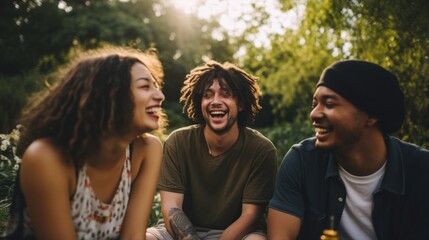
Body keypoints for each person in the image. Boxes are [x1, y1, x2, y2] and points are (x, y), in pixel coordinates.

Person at [3, 46, 166, 239]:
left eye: (156, 87)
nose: (160, 96)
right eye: (145, 87)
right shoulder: (47, 157)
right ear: (108, 95)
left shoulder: (147, 150)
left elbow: (132, 236)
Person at [267, 60, 429, 240]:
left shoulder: (421, 171)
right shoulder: (302, 161)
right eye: (315, 104)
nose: (314, 114)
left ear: (371, 115)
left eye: (329, 104)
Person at [146, 61, 277, 240]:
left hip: (236, 234)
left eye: (225, 94)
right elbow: (172, 208)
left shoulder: (262, 149)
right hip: (180, 233)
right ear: (200, 103)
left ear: (240, 104)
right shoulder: (178, 142)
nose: (215, 101)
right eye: (208, 95)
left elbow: (250, 216)